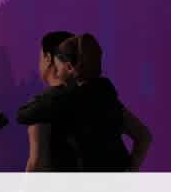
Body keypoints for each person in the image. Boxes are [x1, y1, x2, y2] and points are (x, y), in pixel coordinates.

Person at [17, 34, 152, 171]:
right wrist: (130, 171)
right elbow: (143, 136)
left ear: (69, 67)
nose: (57, 72)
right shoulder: (106, 96)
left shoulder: (61, 100)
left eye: (59, 67)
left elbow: (36, 160)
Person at [23, 31, 76, 172]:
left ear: (47, 57)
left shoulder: (44, 105)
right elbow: (141, 136)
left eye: (40, 57)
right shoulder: (96, 96)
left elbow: (36, 162)